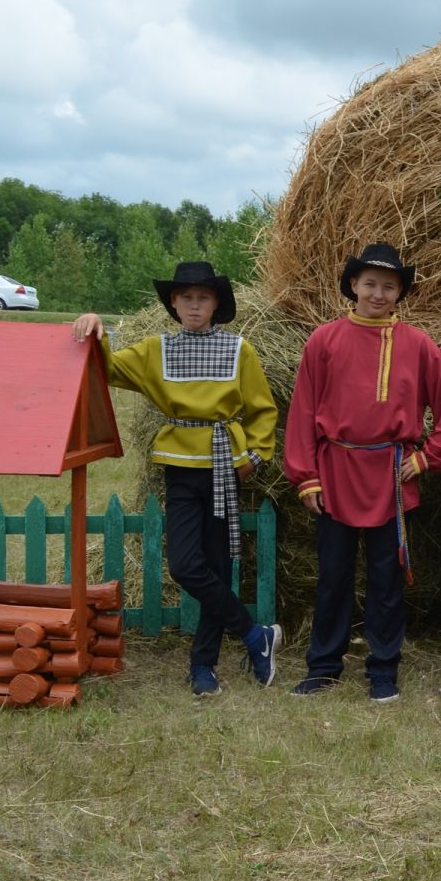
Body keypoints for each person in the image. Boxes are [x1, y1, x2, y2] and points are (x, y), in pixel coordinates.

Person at [71, 262, 280, 696]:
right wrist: (96, 329)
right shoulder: (155, 351)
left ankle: (203, 665)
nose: (194, 305)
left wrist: (256, 457)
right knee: (186, 565)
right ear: (173, 303)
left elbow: (262, 410)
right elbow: (104, 368)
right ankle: (255, 634)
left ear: (216, 303)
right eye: (185, 297)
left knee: (219, 569)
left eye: (203, 297)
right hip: (180, 466)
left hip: (225, 463)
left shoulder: (240, 349)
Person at [282, 243, 441, 702]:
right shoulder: (323, 340)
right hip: (336, 473)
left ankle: (383, 670)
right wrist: (305, 474)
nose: (379, 293)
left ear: (399, 292)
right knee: (333, 578)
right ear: (353, 286)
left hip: (390, 476)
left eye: (389, 286)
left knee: (386, 582)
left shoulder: (417, 344)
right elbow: (303, 410)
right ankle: (323, 667)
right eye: (370, 284)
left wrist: (429, 457)